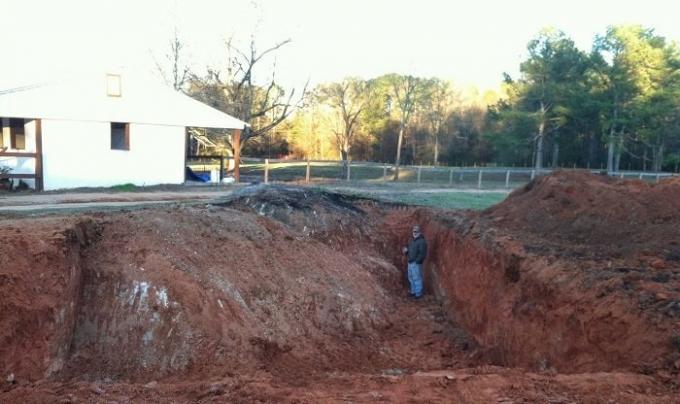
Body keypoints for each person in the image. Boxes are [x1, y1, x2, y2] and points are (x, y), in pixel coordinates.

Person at [402, 224, 427, 299]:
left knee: (417, 278)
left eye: (416, 231)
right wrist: (406, 252)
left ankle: (418, 294)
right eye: (414, 231)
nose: (415, 233)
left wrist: (417, 261)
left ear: (419, 232)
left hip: (415, 263)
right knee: (411, 277)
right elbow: (410, 251)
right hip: (410, 262)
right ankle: (413, 292)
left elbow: (422, 253)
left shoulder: (422, 242)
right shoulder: (412, 241)